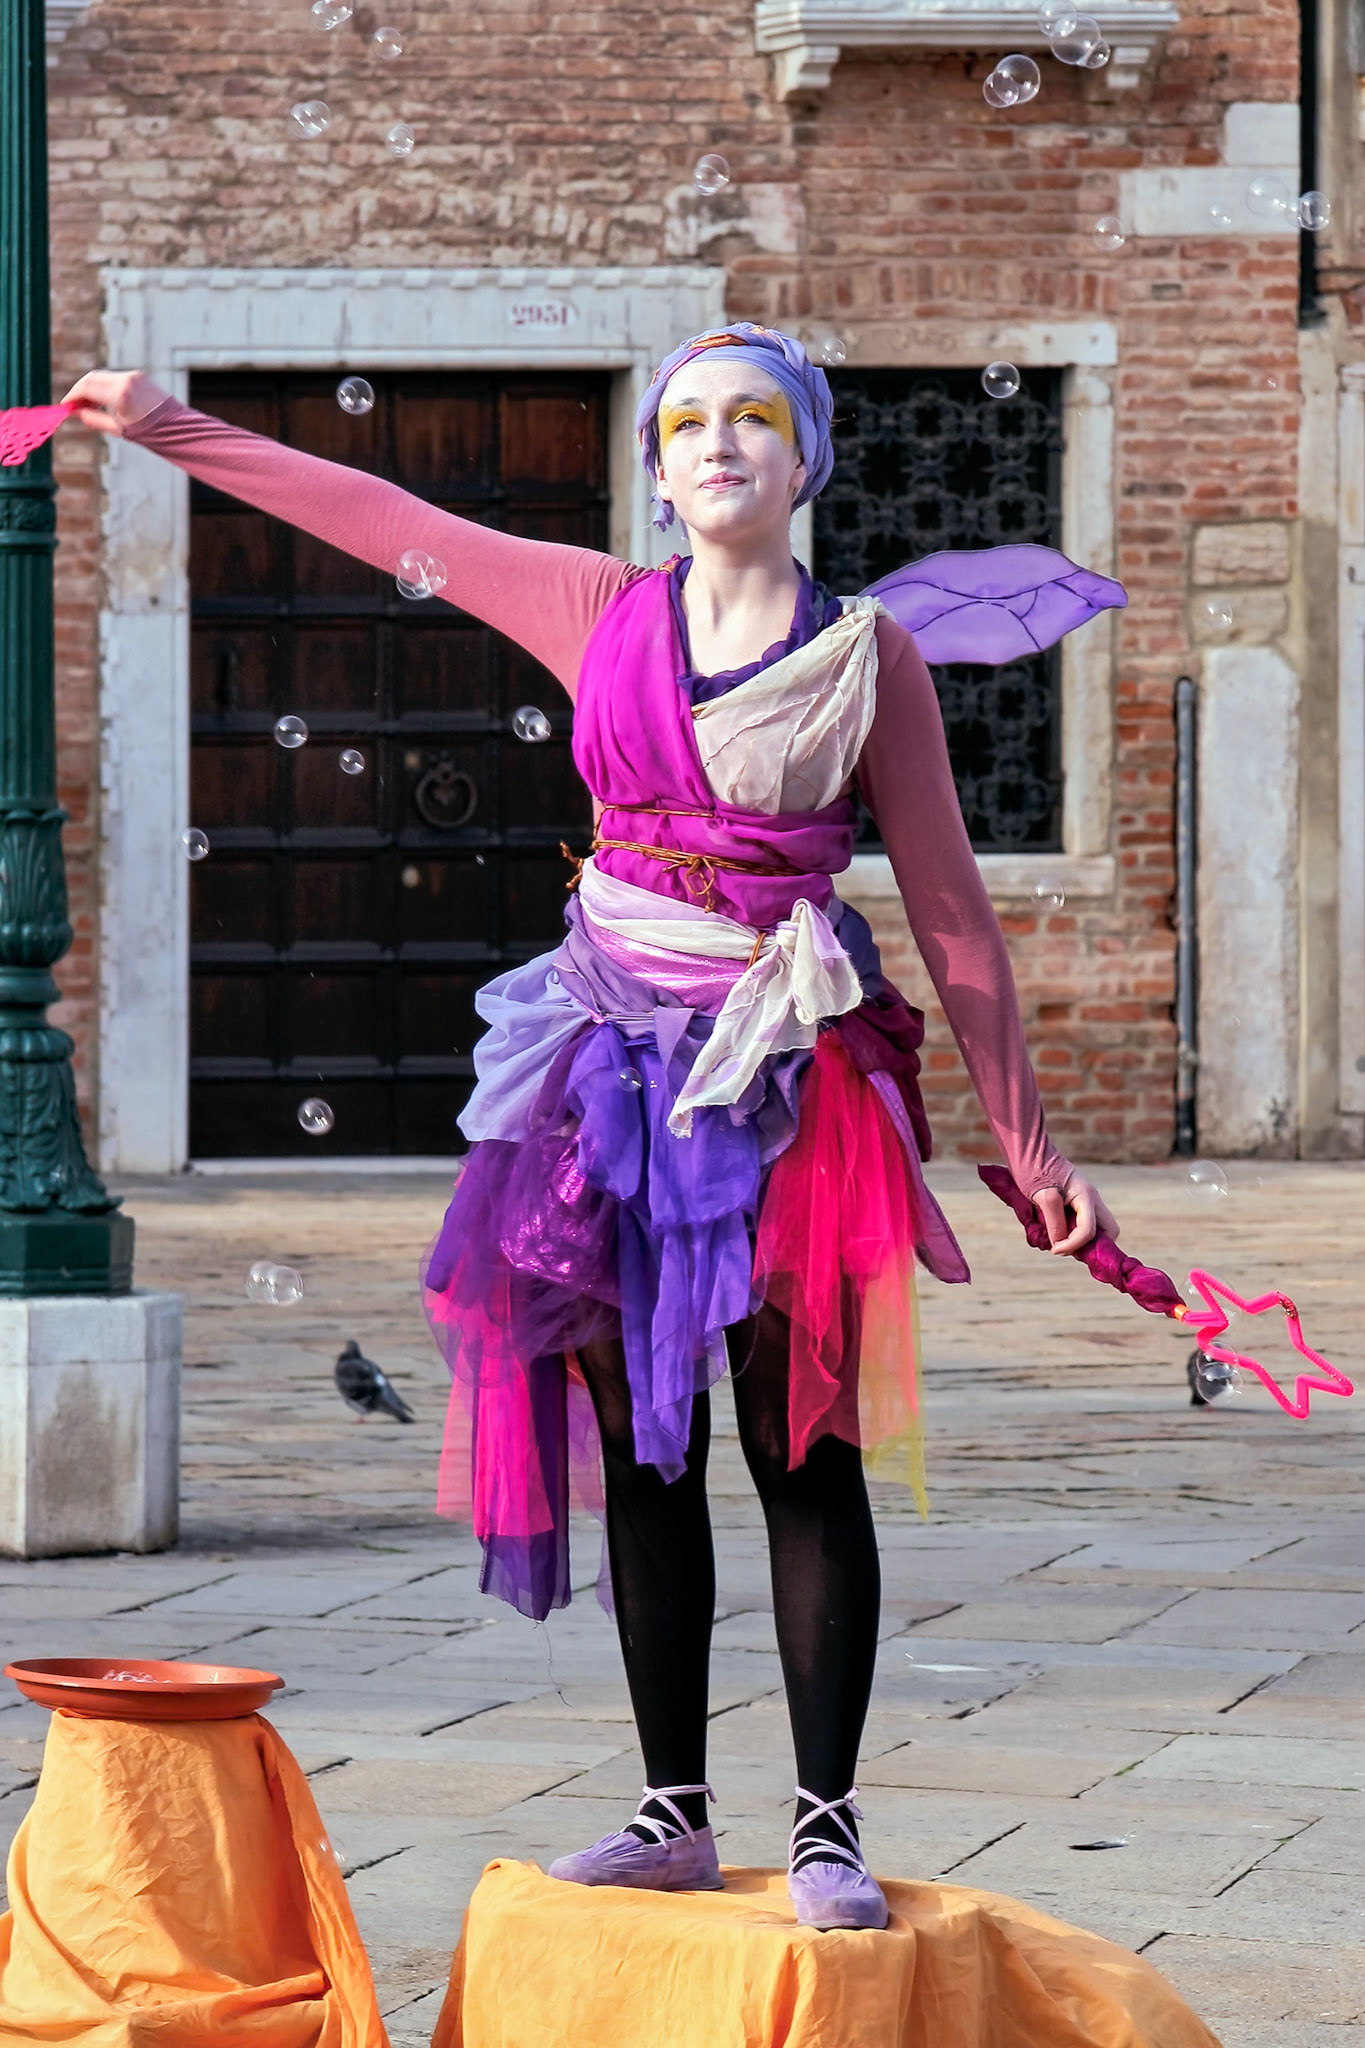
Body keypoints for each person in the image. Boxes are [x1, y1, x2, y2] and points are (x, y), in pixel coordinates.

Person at [65, 330, 1119, 1932]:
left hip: (787, 1087)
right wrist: (172, 430)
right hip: (605, 1074)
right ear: (656, 468)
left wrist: (1032, 1154)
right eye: (686, 422)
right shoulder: (593, 608)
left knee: (802, 1453)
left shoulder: (865, 657)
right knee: (644, 1449)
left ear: (805, 457)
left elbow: (957, 918)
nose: (716, 444)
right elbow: (375, 515)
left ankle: (826, 1827)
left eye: (753, 419)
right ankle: (671, 1810)